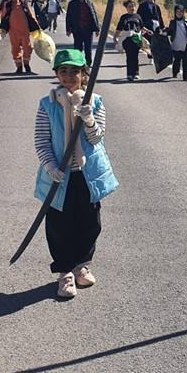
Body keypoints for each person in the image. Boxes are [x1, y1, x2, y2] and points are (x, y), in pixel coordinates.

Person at [34, 48, 118, 298]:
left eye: (75, 71)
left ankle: (82, 265)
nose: (69, 76)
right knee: (59, 225)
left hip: (87, 175)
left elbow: (97, 139)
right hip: (59, 177)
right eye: (63, 71)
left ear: (85, 74)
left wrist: (89, 118)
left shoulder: (97, 102)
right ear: (57, 75)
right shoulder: (47, 104)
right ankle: (65, 273)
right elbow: (42, 141)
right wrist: (50, 166)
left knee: (89, 223)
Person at [0, 0, 41, 74]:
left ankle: (26, 65)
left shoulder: (24, 4)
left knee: (28, 48)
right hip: (13, 32)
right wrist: (3, 30)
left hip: (25, 32)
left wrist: (37, 27)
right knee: (15, 49)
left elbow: (32, 15)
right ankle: (19, 67)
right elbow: (3, 17)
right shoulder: (8, 6)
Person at [66, 0, 100, 64]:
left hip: (88, 30)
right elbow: (68, 17)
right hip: (77, 30)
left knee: (88, 50)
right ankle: (79, 64)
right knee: (78, 49)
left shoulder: (89, 3)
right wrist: (68, 29)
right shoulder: (72, 4)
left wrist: (97, 29)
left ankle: (88, 65)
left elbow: (94, 15)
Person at [165, 4, 187, 81]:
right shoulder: (172, 23)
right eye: (178, 11)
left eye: (181, 11)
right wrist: (163, 32)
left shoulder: (186, 23)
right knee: (177, 60)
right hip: (176, 45)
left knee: (186, 61)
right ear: (175, 13)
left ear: (183, 12)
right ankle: (175, 72)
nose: (179, 13)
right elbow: (169, 31)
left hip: (186, 45)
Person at [115, 0, 145, 81]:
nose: (132, 8)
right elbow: (119, 28)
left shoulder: (138, 16)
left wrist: (147, 31)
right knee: (129, 57)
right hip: (127, 39)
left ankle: (136, 73)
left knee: (135, 56)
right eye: (130, 6)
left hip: (136, 39)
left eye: (133, 6)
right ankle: (129, 74)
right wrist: (115, 37)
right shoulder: (123, 17)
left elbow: (141, 27)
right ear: (126, 8)